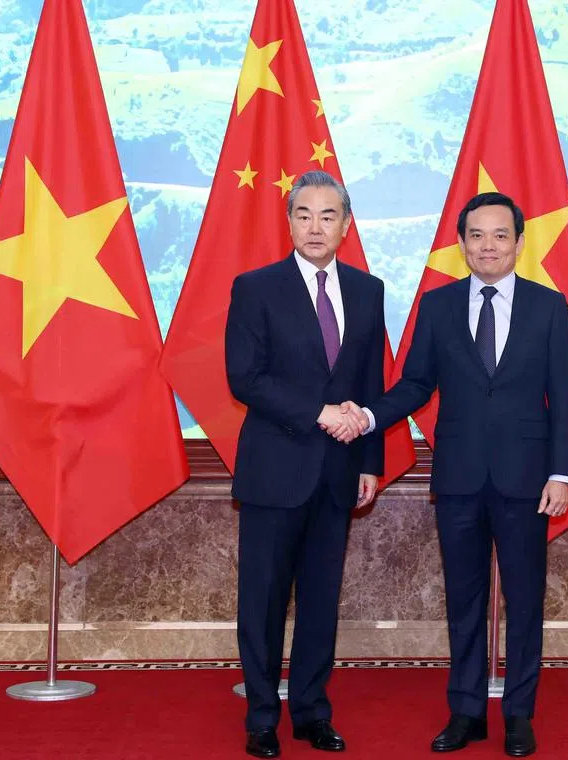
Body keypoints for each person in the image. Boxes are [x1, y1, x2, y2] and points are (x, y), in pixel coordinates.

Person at [345, 192, 568, 758]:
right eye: (477, 235)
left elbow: (564, 399)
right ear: (462, 242)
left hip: (527, 480)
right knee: (464, 599)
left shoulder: (549, 307)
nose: (488, 245)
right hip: (459, 479)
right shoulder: (439, 305)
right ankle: (467, 711)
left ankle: (519, 715)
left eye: (500, 235)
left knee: (525, 602)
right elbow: (416, 384)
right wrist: (370, 415)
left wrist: (562, 473)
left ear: (519, 243)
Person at [225, 170, 384, 758]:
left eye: (327, 216)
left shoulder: (369, 291)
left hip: (340, 472)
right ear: (288, 220)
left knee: (321, 601)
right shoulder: (255, 287)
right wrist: (319, 412)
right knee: (263, 600)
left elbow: (371, 382)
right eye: (303, 215)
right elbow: (246, 377)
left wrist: (370, 459)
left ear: (346, 225)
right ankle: (262, 716)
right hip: (274, 469)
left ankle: (313, 712)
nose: (315, 227)